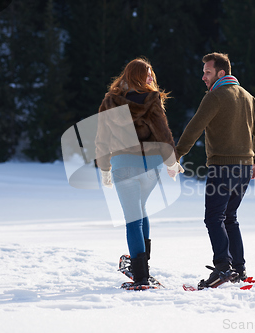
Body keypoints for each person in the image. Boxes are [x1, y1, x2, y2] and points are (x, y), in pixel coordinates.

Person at [176, 52, 255, 289]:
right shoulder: (248, 97)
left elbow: (194, 127)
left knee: (214, 218)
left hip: (222, 168)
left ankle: (223, 268)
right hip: (245, 169)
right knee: (230, 218)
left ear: (221, 73)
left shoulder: (215, 97)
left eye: (207, 72)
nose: (203, 77)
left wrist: (176, 155)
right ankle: (238, 268)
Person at [95, 58, 183, 289]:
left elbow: (102, 139)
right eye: (148, 74)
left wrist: (104, 168)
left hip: (124, 166)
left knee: (133, 219)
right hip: (150, 167)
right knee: (141, 211)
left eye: (151, 74)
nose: (152, 78)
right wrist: (172, 162)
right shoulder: (152, 100)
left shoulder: (110, 102)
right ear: (136, 76)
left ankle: (141, 277)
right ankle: (143, 269)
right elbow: (163, 133)